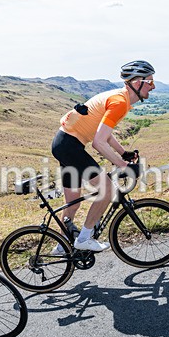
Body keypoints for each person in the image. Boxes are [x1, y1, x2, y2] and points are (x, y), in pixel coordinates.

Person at [51, 60, 152, 252]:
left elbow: (103, 132)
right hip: (70, 146)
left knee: (72, 202)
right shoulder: (120, 102)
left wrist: (123, 153)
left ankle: (62, 245)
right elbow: (99, 142)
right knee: (107, 190)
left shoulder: (120, 99)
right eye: (150, 81)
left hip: (63, 143)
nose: (153, 86)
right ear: (137, 82)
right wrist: (123, 165)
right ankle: (84, 239)